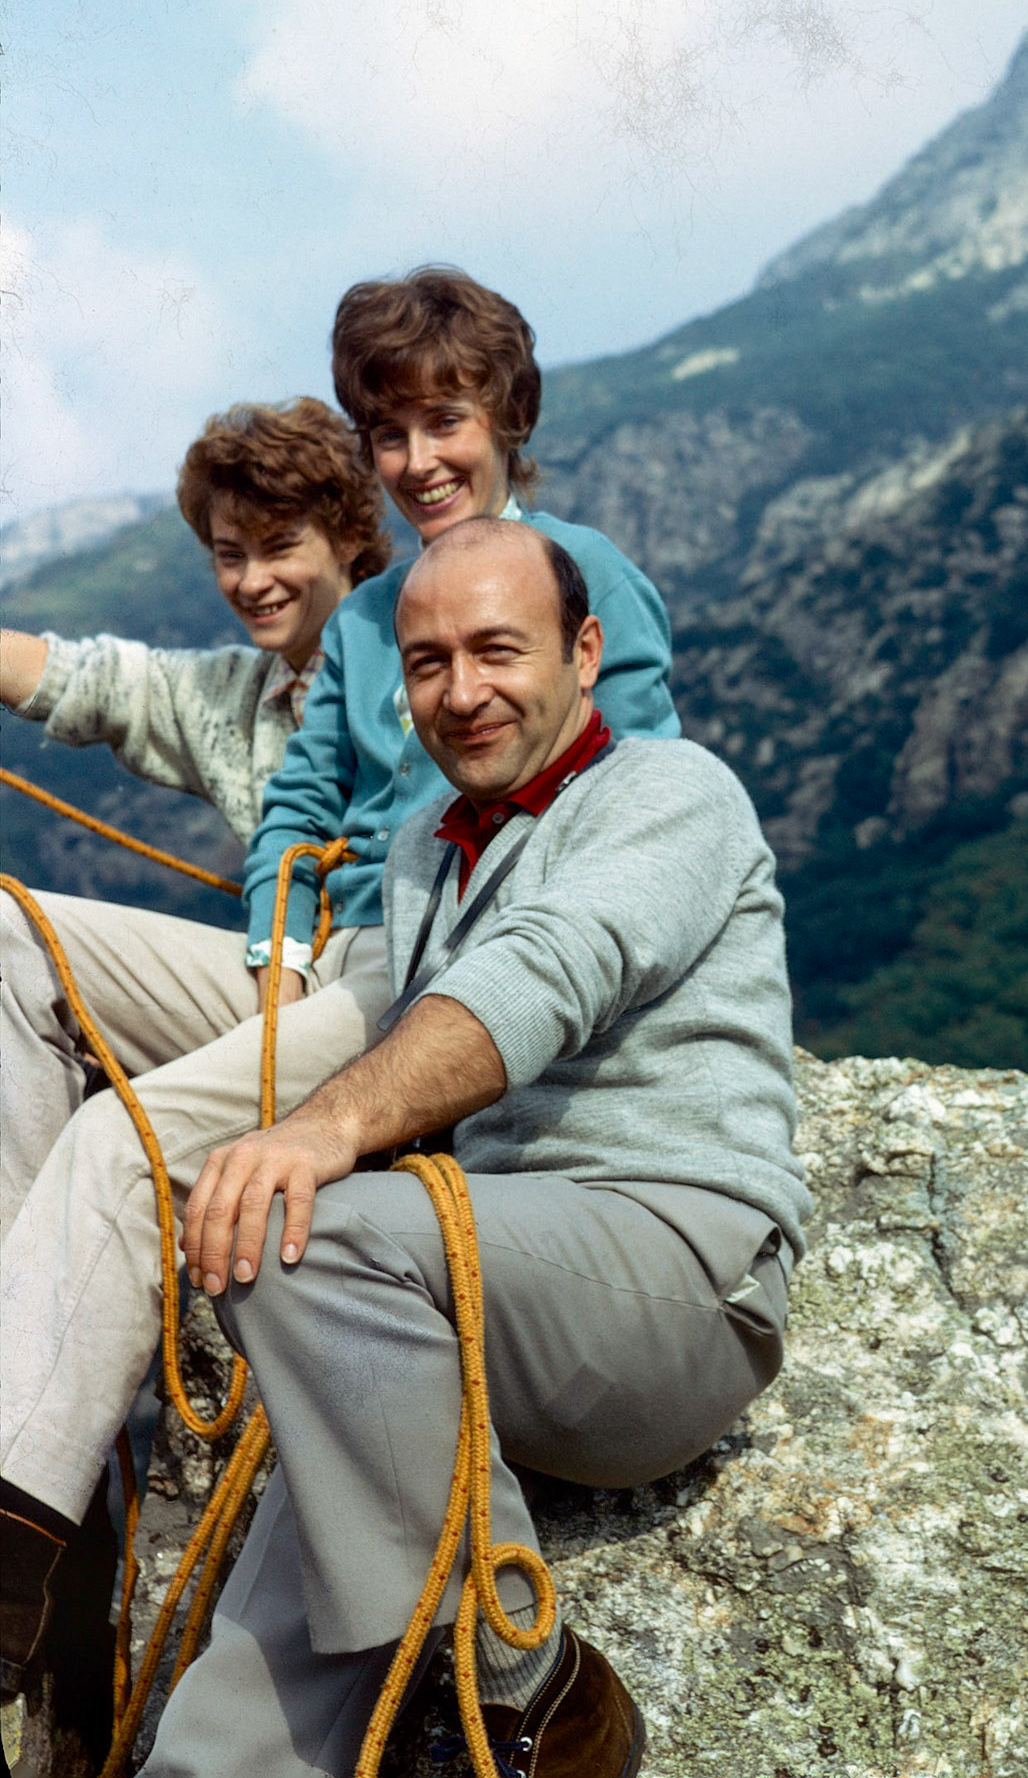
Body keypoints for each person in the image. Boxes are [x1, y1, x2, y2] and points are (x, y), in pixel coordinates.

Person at [0, 271, 680, 1711]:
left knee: (125, 1146)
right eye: (390, 432)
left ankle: (6, 1560)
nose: (420, 458)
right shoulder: (366, 620)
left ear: (508, 418)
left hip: (434, 962)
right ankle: (21, 1364)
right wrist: (275, 951)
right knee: (11, 936)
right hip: (324, 966)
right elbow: (300, 805)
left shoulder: (576, 573)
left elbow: (636, 778)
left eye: (448, 421)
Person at [141, 518, 810, 1778]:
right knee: (251, 1678)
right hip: (476, 1287)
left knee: (300, 1240)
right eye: (428, 661)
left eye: (498, 650)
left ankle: (530, 1681)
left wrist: (324, 1124)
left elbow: (547, 970)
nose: (461, 691)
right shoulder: (423, 845)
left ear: (585, 651)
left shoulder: (671, 788)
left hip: (677, 1270)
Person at [0, 396, 391, 1231]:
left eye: (279, 546)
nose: (251, 581)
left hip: (395, 999)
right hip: (283, 987)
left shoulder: (423, 655)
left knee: (117, 1134)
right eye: (229, 554)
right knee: (9, 930)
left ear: (348, 537)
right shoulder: (234, 697)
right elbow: (97, 681)